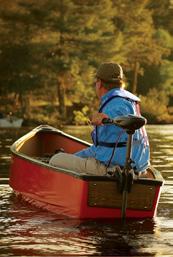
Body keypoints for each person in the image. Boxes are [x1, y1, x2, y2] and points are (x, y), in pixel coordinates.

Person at [49, 62, 150, 176]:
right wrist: (74, 157)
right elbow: (104, 148)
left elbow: (101, 154)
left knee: (55, 160)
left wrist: (67, 157)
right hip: (140, 170)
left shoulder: (113, 106)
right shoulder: (129, 101)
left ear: (99, 83)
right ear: (120, 83)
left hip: (114, 171)